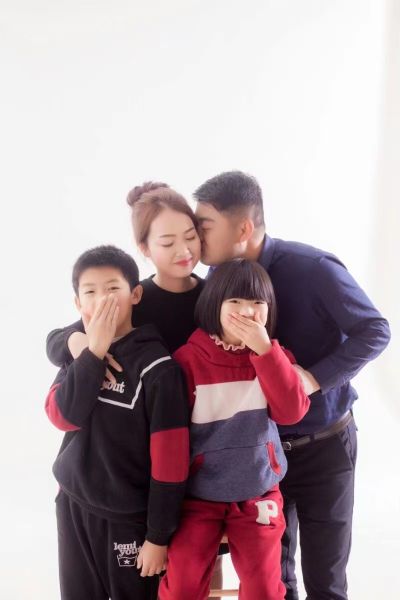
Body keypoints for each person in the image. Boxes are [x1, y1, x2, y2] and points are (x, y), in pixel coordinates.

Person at [193, 170, 391, 600]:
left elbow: (375, 330)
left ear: (242, 229)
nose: (196, 236)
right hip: (261, 458)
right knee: (277, 582)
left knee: (327, 580)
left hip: (325, 447)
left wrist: (314, 378)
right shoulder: (215, 283)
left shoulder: (313, 268)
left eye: (204, 226)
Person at [158, 259, 310, 600]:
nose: (247, 311)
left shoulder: (276, 356)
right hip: (198, 498)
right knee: (182, 585)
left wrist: (265, 352)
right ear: (215, 304)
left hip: (259, 493)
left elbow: (291, 413)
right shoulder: (187, 360)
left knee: (264, 589)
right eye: (235, 301)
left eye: (257, 302)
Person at [45, 245, 189, 600]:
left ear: (135, 294)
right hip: (74, 503)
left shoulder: (159, 369)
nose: (102, 300)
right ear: (78, 303)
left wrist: (158, 536)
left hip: (130, 519)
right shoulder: (80, 352)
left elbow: (171, 464)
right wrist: (92, 354)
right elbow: (62, 416)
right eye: (90, 292)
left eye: (112, 289)